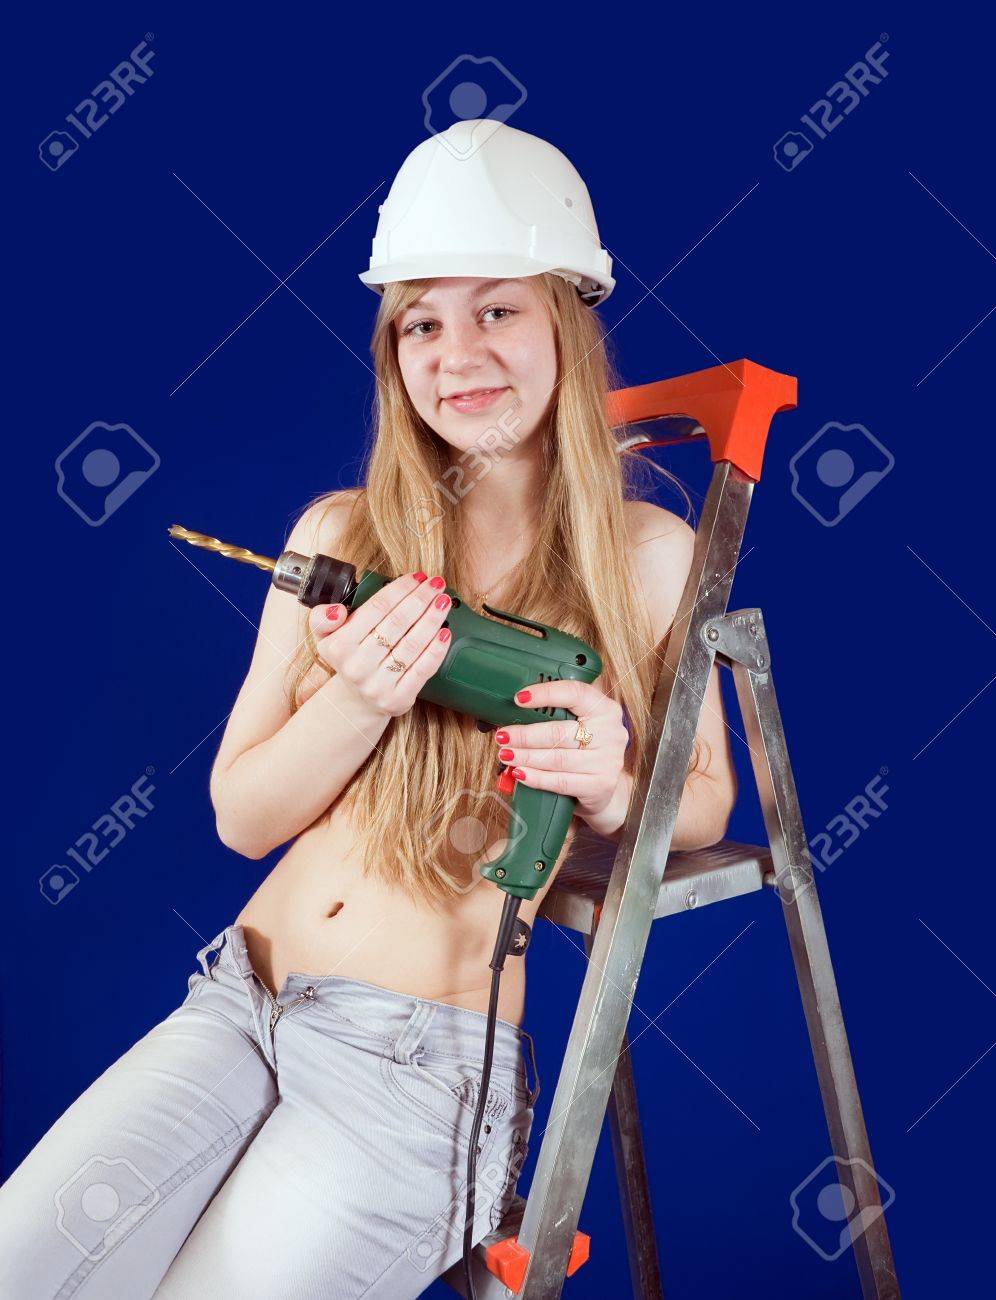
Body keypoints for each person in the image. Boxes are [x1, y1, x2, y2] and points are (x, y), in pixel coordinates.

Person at [0, 117, 737, 1297]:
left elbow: (704, 802)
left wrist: (609, 778)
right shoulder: (339, 535)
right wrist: (354, 699)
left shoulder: (647, 558)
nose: (459, 353)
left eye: (497, 308)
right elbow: (244, 814)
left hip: (416, 1065)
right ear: (392, 352)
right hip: (239, 999)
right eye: (420, 323)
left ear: (566, 315)